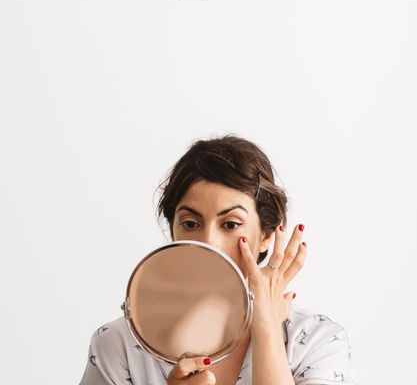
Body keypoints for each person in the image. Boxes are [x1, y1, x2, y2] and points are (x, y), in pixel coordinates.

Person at [79, 135, 357, 385]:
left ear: (267, 235)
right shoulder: (118, 346)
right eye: (190, 223)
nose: (208, 242)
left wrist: (267, 329)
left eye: (231, 224)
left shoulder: (317, 342)